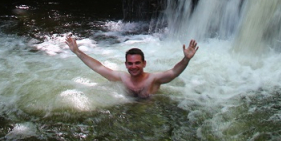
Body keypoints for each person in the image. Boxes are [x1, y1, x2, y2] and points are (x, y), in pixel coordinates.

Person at [65, 36, 199, 98]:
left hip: (151, 111)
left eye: (137, 63)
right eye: (130, 63)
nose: (133, 66)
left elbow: (174, 72)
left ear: (144, 63)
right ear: (126, 64)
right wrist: (77, 52)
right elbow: (98, 67)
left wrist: (186, 59)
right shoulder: (122, 77)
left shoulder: (153, 79)